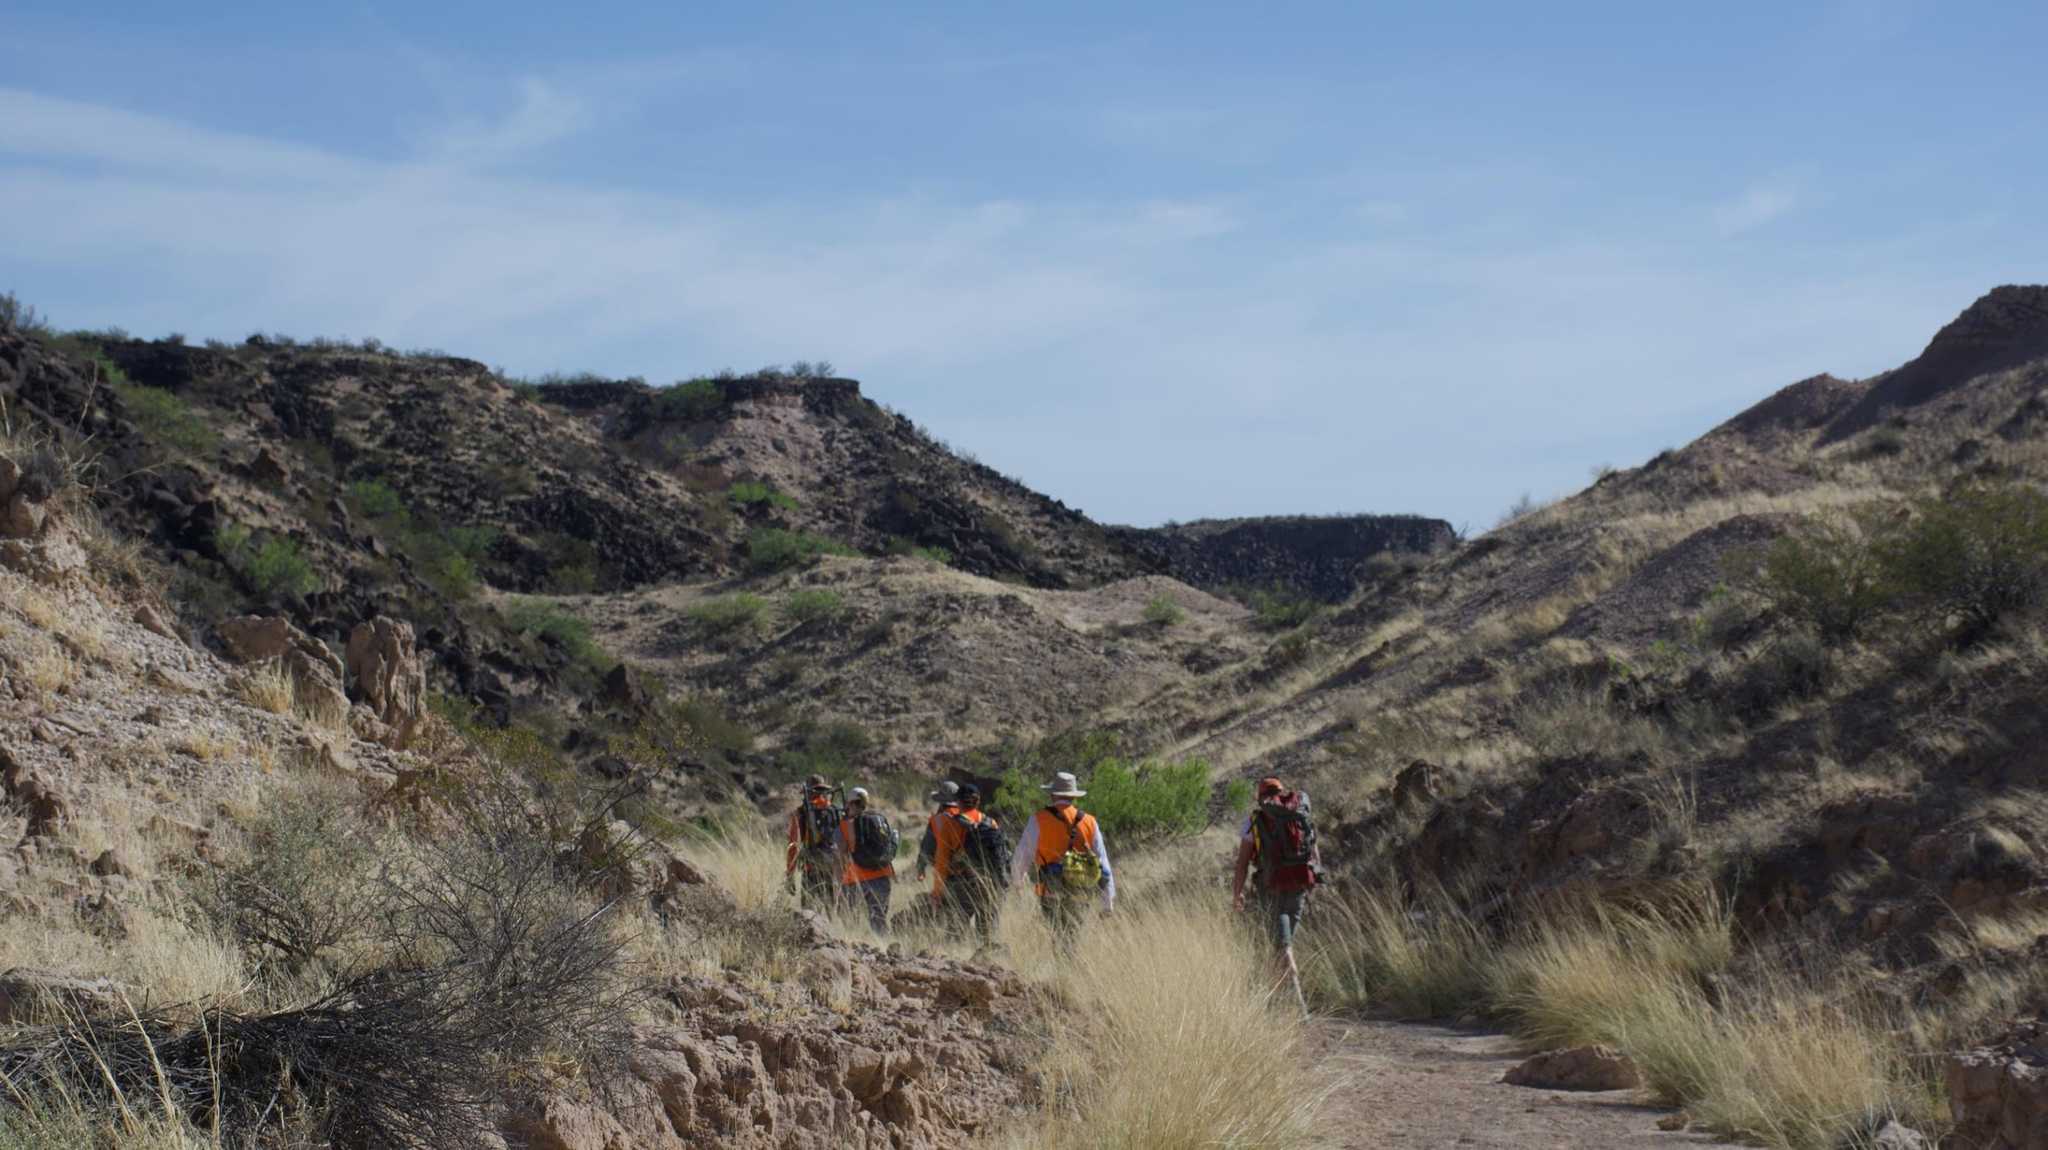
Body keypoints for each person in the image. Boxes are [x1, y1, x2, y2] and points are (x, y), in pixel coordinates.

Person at [1232, 776, 1321, 1014]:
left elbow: (1242, 863)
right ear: (1281, 792)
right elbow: (1313, 849)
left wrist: (1237, 894)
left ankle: (1300, 1010)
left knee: (1283, 948)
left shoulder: (1255, 821)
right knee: (1279, 945)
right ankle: (1271, 1004)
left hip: (1271, 890)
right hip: (1299, 886)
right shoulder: (1299, 813)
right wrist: (1314, 879)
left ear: (1260, 796)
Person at [1009, 771, 1113, 952]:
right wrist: (1107, 901)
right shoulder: (1090, 822)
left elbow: (1022, 855)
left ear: (1052, 795)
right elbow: (1103, 862)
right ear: (1073, 796)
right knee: (1074, 935)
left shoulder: (1038, 819)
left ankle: (1063, 963)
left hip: (1050, 890)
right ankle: (1070, 961)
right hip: (1082, 890)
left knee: (1058, 935)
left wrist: (1017, 882)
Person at [932, 783, 1007, 950]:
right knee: (987, 931)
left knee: (956, 931)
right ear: (978, 801)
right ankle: (988, 960)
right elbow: (1000, 855)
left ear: (958, 802)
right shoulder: (991, 823)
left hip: (960, 883)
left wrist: (937, 891)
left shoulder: (950, 825)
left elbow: (941, 860)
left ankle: (957, 960)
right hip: (987, 883)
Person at [839, 787, 898, 935]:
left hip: (855, 880)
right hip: (882, 876)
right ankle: (882, 946)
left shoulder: (845, 825)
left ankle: (856, 946)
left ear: (851, 803)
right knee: (879, 920)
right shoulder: (879, 819)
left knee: (849, 922)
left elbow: (840, 854)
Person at [784, 774, 842, 910]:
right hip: (832, 867)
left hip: (811, 868)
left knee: (808, 911)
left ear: (807, 791)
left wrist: (790, 874)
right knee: (830, 910)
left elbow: (793, 846)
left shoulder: (801, 812)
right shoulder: (834, 810)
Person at [915, 779, 962, 909]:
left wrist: (921, 867)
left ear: (941, 801)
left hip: (944, 872)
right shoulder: (967, 816)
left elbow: (926, 848)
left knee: (943, 909)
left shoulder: (937, 820)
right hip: (967, 872)